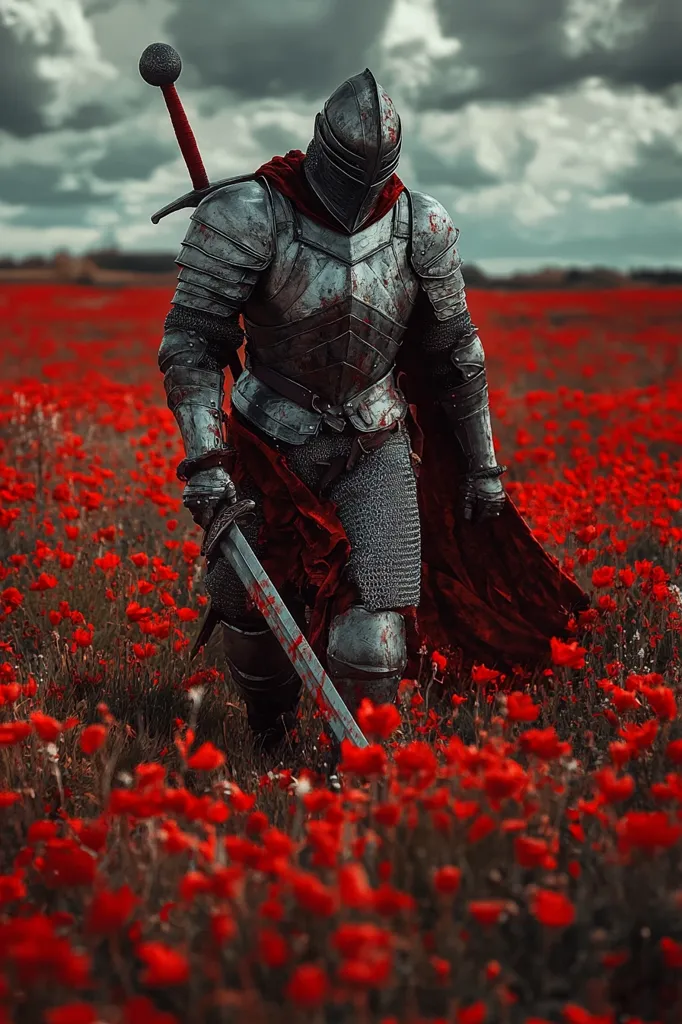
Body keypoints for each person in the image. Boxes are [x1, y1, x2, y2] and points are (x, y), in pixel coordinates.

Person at [159, 69, 586, 756]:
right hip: (270, 440)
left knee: (374, 631)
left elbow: (457, 355)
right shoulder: (251, 214)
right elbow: (192, 341)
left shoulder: (423, 225)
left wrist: (483, 467)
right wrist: (207, 461)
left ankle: (352, 773)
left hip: (374, 440)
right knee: (251, 602)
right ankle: (268, 737)